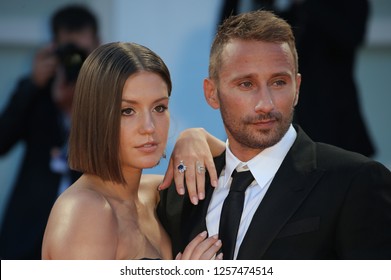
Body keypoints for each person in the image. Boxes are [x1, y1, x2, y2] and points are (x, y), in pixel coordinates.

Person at [157, 10, 391, 259]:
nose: (266, 104)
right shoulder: (180, 195)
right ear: (211, 93)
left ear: (297, 88)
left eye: (279, 82)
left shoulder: (355, 181)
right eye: (246, 84)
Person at [41, 42, 224, 260]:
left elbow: (240, 164)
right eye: (127, 111)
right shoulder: (85, 210)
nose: (149, 127)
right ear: (96, 117)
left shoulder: (153, 193)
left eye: (159, 108)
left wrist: (195, 136)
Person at [0, 5, 100, 259]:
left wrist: (77, 107)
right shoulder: (36, 90)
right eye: (70, 52)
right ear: (54, 48)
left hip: (86, 233)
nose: (76, 62)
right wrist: (33, 85)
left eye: (82, 53)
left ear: (97, 47)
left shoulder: (107, 97)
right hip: (27, 236)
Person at [218, 0, 375, 157]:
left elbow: (351, 34)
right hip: (273, 128)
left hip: (332, 122)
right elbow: (226, 40)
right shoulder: (272, 12)